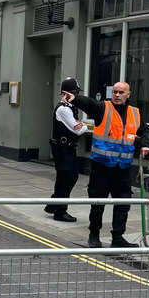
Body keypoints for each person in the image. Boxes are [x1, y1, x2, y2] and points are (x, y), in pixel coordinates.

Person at [64, 81, 149, 248]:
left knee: (123, 203)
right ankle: (94, 235)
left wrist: (146, 144)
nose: (117, 95)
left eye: (121, 92)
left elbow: (145, 130)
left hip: (123, 168)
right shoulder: (103, 108)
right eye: (115, 92)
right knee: (97, 203)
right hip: (101, 166)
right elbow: (89, 104)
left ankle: (118, 237)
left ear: (128, 95)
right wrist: (75, 99)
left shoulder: (135, 113)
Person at [46, 78, 89, 223]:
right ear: (68, 93)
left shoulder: (69, 107)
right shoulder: (64, 109)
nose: (77, 95)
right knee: (67, 178)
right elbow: (78, 130)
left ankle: (54, 204)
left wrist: (80, 125)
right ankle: (60, 211)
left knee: (65, 177)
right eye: (76, 92)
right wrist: (83, 126)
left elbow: (77, 126)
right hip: (62, 148)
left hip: (66, 147)